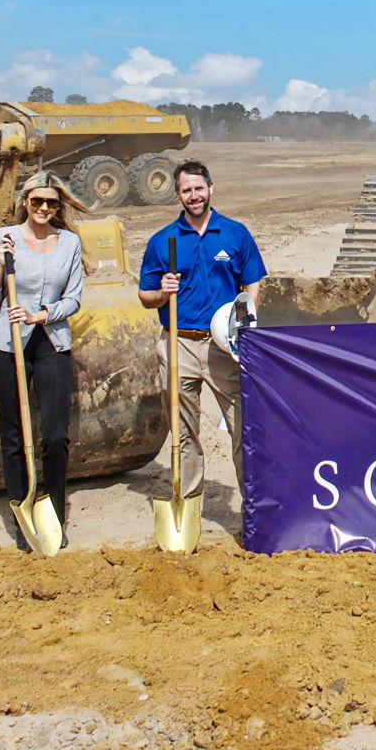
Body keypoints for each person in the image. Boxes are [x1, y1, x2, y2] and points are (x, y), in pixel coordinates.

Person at [138, 160, 267, 511]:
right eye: (185, 190)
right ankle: (189, 503)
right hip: (177, 342)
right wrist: (162, 292)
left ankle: (255, 505)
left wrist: (245, 322)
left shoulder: (235, 233)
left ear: (211, 188)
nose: (193, 196)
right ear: (178, 195)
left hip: (224, 346)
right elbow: (145, 296)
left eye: (198, 188)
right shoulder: (162, 241)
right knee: (183, 431)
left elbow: (252, 283)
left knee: (244, 426)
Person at [0, 170, 87, 544]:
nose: (43, 207)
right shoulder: (4, 238)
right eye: (37, 201)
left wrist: (41, 313)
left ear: (58, 206)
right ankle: (24, 519)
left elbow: (73, 298)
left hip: (51, 343)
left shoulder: (69, 242)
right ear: (25, 201)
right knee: (14, 436)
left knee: (54, 435)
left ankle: (53, 518)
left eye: (51, 202)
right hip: (6, 346)